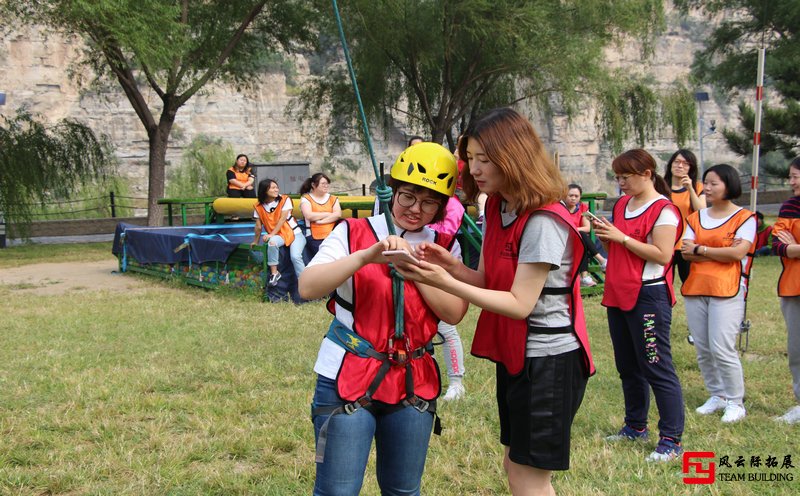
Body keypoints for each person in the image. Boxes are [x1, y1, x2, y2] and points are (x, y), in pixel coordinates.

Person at [399, 108, 595, 496]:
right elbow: (489, 281)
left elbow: (520, 303)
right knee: (514, 463)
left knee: (528, 475)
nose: (474, 169)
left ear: (514, 156)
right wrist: (452, 267)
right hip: (518, 355)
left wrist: (444, 283)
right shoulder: (496, 206)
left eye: (484, 159)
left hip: (550, 360)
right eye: (470, 158)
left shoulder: (543, 221)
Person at [298, 143, 468, 495]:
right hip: (347, 374)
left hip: (413, 381)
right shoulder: (352, 231)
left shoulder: (443, 246)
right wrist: (367, 257)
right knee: (337, 491)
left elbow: (454, 312)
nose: (415, 210)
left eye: (428, 202)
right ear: (393, 190)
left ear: (441, 206)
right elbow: (307, 286)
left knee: (404, 491)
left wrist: (417, 271)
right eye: (408, 197)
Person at [593, 149, 685, 462]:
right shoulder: (621, 204)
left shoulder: (664, 210)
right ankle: (635, 426)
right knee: (628, 367)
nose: (620, 183)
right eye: (617, 177)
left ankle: (671, 440)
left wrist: (620, 238)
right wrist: (606, 237)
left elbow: (662, 255)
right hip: (618, 292)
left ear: (647, 173)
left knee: (656, 366)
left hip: (648, 296)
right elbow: (620, 248)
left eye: (626, 176)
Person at [680, 163, 755, 423]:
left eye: (714, 183)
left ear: (729, 185)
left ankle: (735, 401)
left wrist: (702, 250)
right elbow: (685, 251)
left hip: (727, 289)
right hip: (696, 287)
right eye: (706, 183)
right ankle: (717, 394)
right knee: (702, 347)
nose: (707, 188)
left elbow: (737, 253)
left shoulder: (745, 218)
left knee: (721, 346)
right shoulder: (695, 218)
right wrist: (714, 252)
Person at [772, 157, 800, 424]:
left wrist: (797, 247)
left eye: (796, 176)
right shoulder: (790, 206)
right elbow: (777, 244)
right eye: (790, 176)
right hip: (794, 286)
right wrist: (790, 246)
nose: (791, 182)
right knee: (797, 348)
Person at [250, 179, 306, 286]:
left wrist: (271, 234)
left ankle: (304, 282)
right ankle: (274, 273)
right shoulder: (258, 206)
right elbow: (258, 226)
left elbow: (282, 219)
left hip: (294, 233)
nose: (276, 190)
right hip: (279, 235)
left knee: (295, 256)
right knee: (272, 243)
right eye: (273, 188)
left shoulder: (285, 199)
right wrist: (255, 242)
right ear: (264, 190)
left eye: (277, 187)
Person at [665, 149, 705, 283]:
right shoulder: (660, 186)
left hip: (686, 243)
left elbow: (701, 212)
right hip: (665, 243)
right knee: (664, 284)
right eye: (676, 162)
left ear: (691, 168)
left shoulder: (698, 187)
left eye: (685, 163)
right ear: (670, 164)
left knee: (690, 283)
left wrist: (690, 189)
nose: (680, 166)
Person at [562, 183, 607, 287]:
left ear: (580, 197)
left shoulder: (582, 207)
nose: (573, 198)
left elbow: (587, 228)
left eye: (576, 196)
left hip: (578, 239)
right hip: (565, 239)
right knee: (582, 235)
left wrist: (573, 229)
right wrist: (576, 230)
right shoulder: (561, 208)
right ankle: (601, 260)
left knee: (581, 241)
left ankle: (585, 277)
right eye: (570, 195)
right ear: (565, 195)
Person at [300, 173, 342, 259]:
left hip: (333, 234)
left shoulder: (333, 198)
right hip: (314, 236)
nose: (326, 186)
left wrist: (321, 221)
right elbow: (309, 215)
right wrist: (328, 214)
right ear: (313, 185)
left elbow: (337, 214)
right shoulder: (306, 198)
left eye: (327, 183)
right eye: (323, 184)